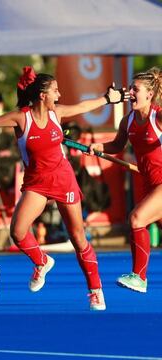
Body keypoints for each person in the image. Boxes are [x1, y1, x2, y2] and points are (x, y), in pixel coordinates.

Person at [0, 66, 129, 311]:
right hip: (37, 183)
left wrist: (109, 99)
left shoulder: (59, 113)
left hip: (63, 179)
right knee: (18, 231)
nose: (59, 94)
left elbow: (84, 106)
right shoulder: (21, 117)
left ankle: (96, 291)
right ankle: (41, 261)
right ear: (42, 95)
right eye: (55, 90)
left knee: (78, 238)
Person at [89, 67, 162, 293]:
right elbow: (117, 146)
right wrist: (100, 147)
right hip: (150, 184)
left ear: (149, 94)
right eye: (130, 88)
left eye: (135, 89)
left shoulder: (157, 116)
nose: (130, 92)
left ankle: (139, 278)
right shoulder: (127, 121)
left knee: (137, 219)